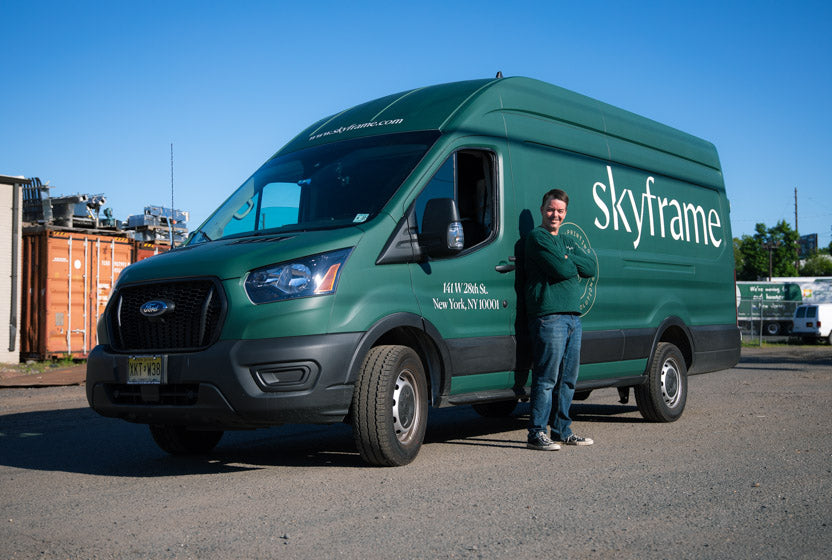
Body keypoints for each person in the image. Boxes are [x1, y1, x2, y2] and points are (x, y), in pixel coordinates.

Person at [524, 188, 597, 451]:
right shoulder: (537, 237)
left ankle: (562, 430)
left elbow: (589, 268)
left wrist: (568, 256)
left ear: (566, 213)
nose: (555, 214)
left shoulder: (567, 240)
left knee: (568, 379)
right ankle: (536, 433)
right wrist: (568, 261)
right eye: (551, 209)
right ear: (542, 209)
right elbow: (562, 269)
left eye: (560, 211)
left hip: (573, 319)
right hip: (549, 317)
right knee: (546, 379)